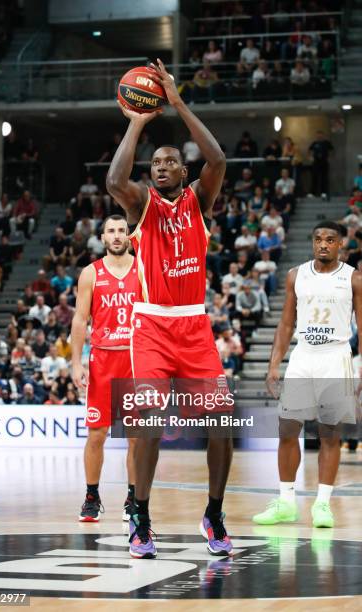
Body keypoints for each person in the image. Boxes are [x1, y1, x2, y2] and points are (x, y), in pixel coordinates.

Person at [106, 58, 233, 559]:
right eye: (154, 163)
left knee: (221, 425)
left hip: (195, 326)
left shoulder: (200, 200)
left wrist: (175, 102)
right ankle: (140, 515)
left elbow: (218, 160)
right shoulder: (141, 205)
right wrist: (138, 120)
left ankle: (215, 514)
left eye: (168, 162)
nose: (159, 167)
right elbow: (117, 181)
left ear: (183, 170)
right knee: (149, 424)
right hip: (152, 325)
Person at [253, 221, 362, 529]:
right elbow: (286, 324)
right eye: (318, 239)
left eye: (330, 240)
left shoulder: (353, 278)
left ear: (341, 244)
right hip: (303, 356)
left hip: (336, 356)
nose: (323, 244)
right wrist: (274, 364)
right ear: (312, 243)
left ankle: (323, 505)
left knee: (330, 434)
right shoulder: (295, 275)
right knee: (287, 428)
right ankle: (286, 502)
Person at [71, 215, 141, 523]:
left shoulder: (144, 269)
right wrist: (76, 362)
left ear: (129, 236)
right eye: (111, 231)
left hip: (137, 360)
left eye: (121, 231)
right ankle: (91, 496)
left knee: (138, 436)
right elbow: (79, 319)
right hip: (102, 360)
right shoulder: (90, 273)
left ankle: (134, 498)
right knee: (96, 434)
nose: (116, 236)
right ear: (102, 237)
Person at [308, 131, 334, 200]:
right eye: (318, 135)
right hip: (316, 162)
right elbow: (310, 150)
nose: (319, 136)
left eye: (321, 135)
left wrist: (329, 157)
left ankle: (324, 192)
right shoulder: (314, 143)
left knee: (324, 178)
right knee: (314, 177)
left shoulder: (326, 143)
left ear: (323, 135)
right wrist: (311, 157)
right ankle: (313, 193)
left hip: (324, 162)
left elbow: (331, 150)